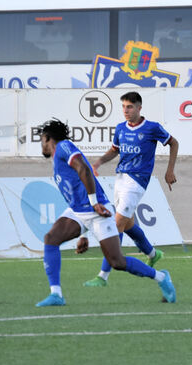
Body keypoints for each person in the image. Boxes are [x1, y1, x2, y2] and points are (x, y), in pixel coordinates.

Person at [35, 118, 176, 307]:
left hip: (97, 210)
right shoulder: (58, 158)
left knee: (117, 261)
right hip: (78, 211)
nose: (41, 145)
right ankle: (56, 295)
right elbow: (75, 190)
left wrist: (94, 203)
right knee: (51, 239)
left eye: (41, 140)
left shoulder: (63, 147)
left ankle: (161, 277)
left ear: (47, 138)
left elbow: (84, 169)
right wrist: (83, 233)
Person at [85, 91, 179, 287]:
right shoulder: (120, 128)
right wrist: (98, 163)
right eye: (123, 107)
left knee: (116, 224)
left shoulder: (152, 128)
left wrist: (169, 170)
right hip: (120, 180)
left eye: (129, 107)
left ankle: (103, 276)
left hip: (137, 182)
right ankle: (153, 254)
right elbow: (114, 150)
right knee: (127, 225)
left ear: (139, 107)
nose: (126, 110)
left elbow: (173, 142)